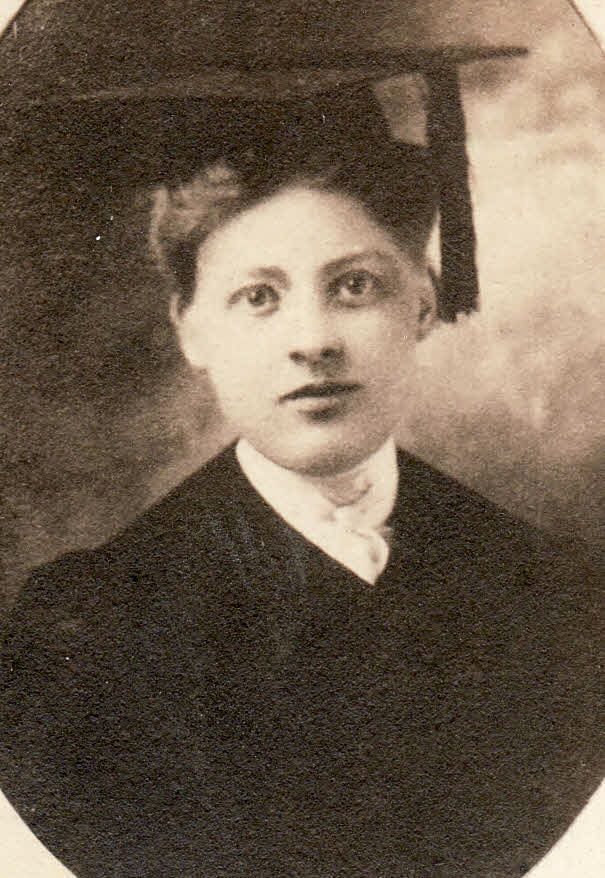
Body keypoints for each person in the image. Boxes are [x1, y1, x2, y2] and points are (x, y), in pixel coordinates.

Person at [0, 76, 603, 878]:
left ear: (422, 304)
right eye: (258, 296)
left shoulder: (556, 591)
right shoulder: (94, 626)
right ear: (191, 330)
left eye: (354, 286)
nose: (312, 340)